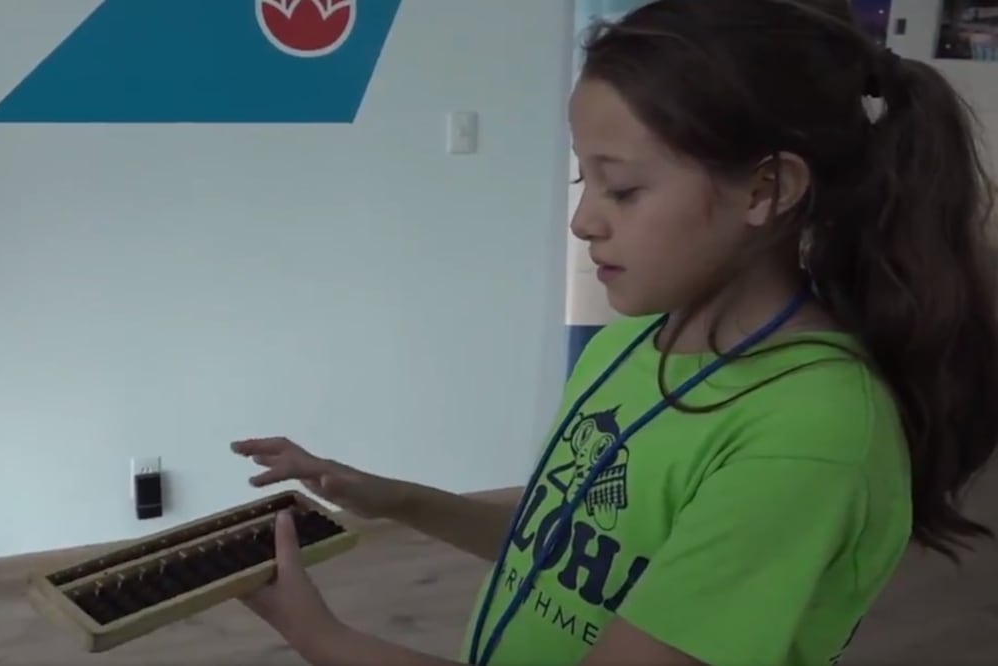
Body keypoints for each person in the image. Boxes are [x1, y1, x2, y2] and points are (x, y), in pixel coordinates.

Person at [229, 0, 998, 664]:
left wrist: (322, 639)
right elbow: (562, 543)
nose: (582, 220)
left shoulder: (807, 433)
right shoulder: (631, 343)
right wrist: (392, 498)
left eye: (622, 188)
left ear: (766, 188)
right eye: (581, 178)